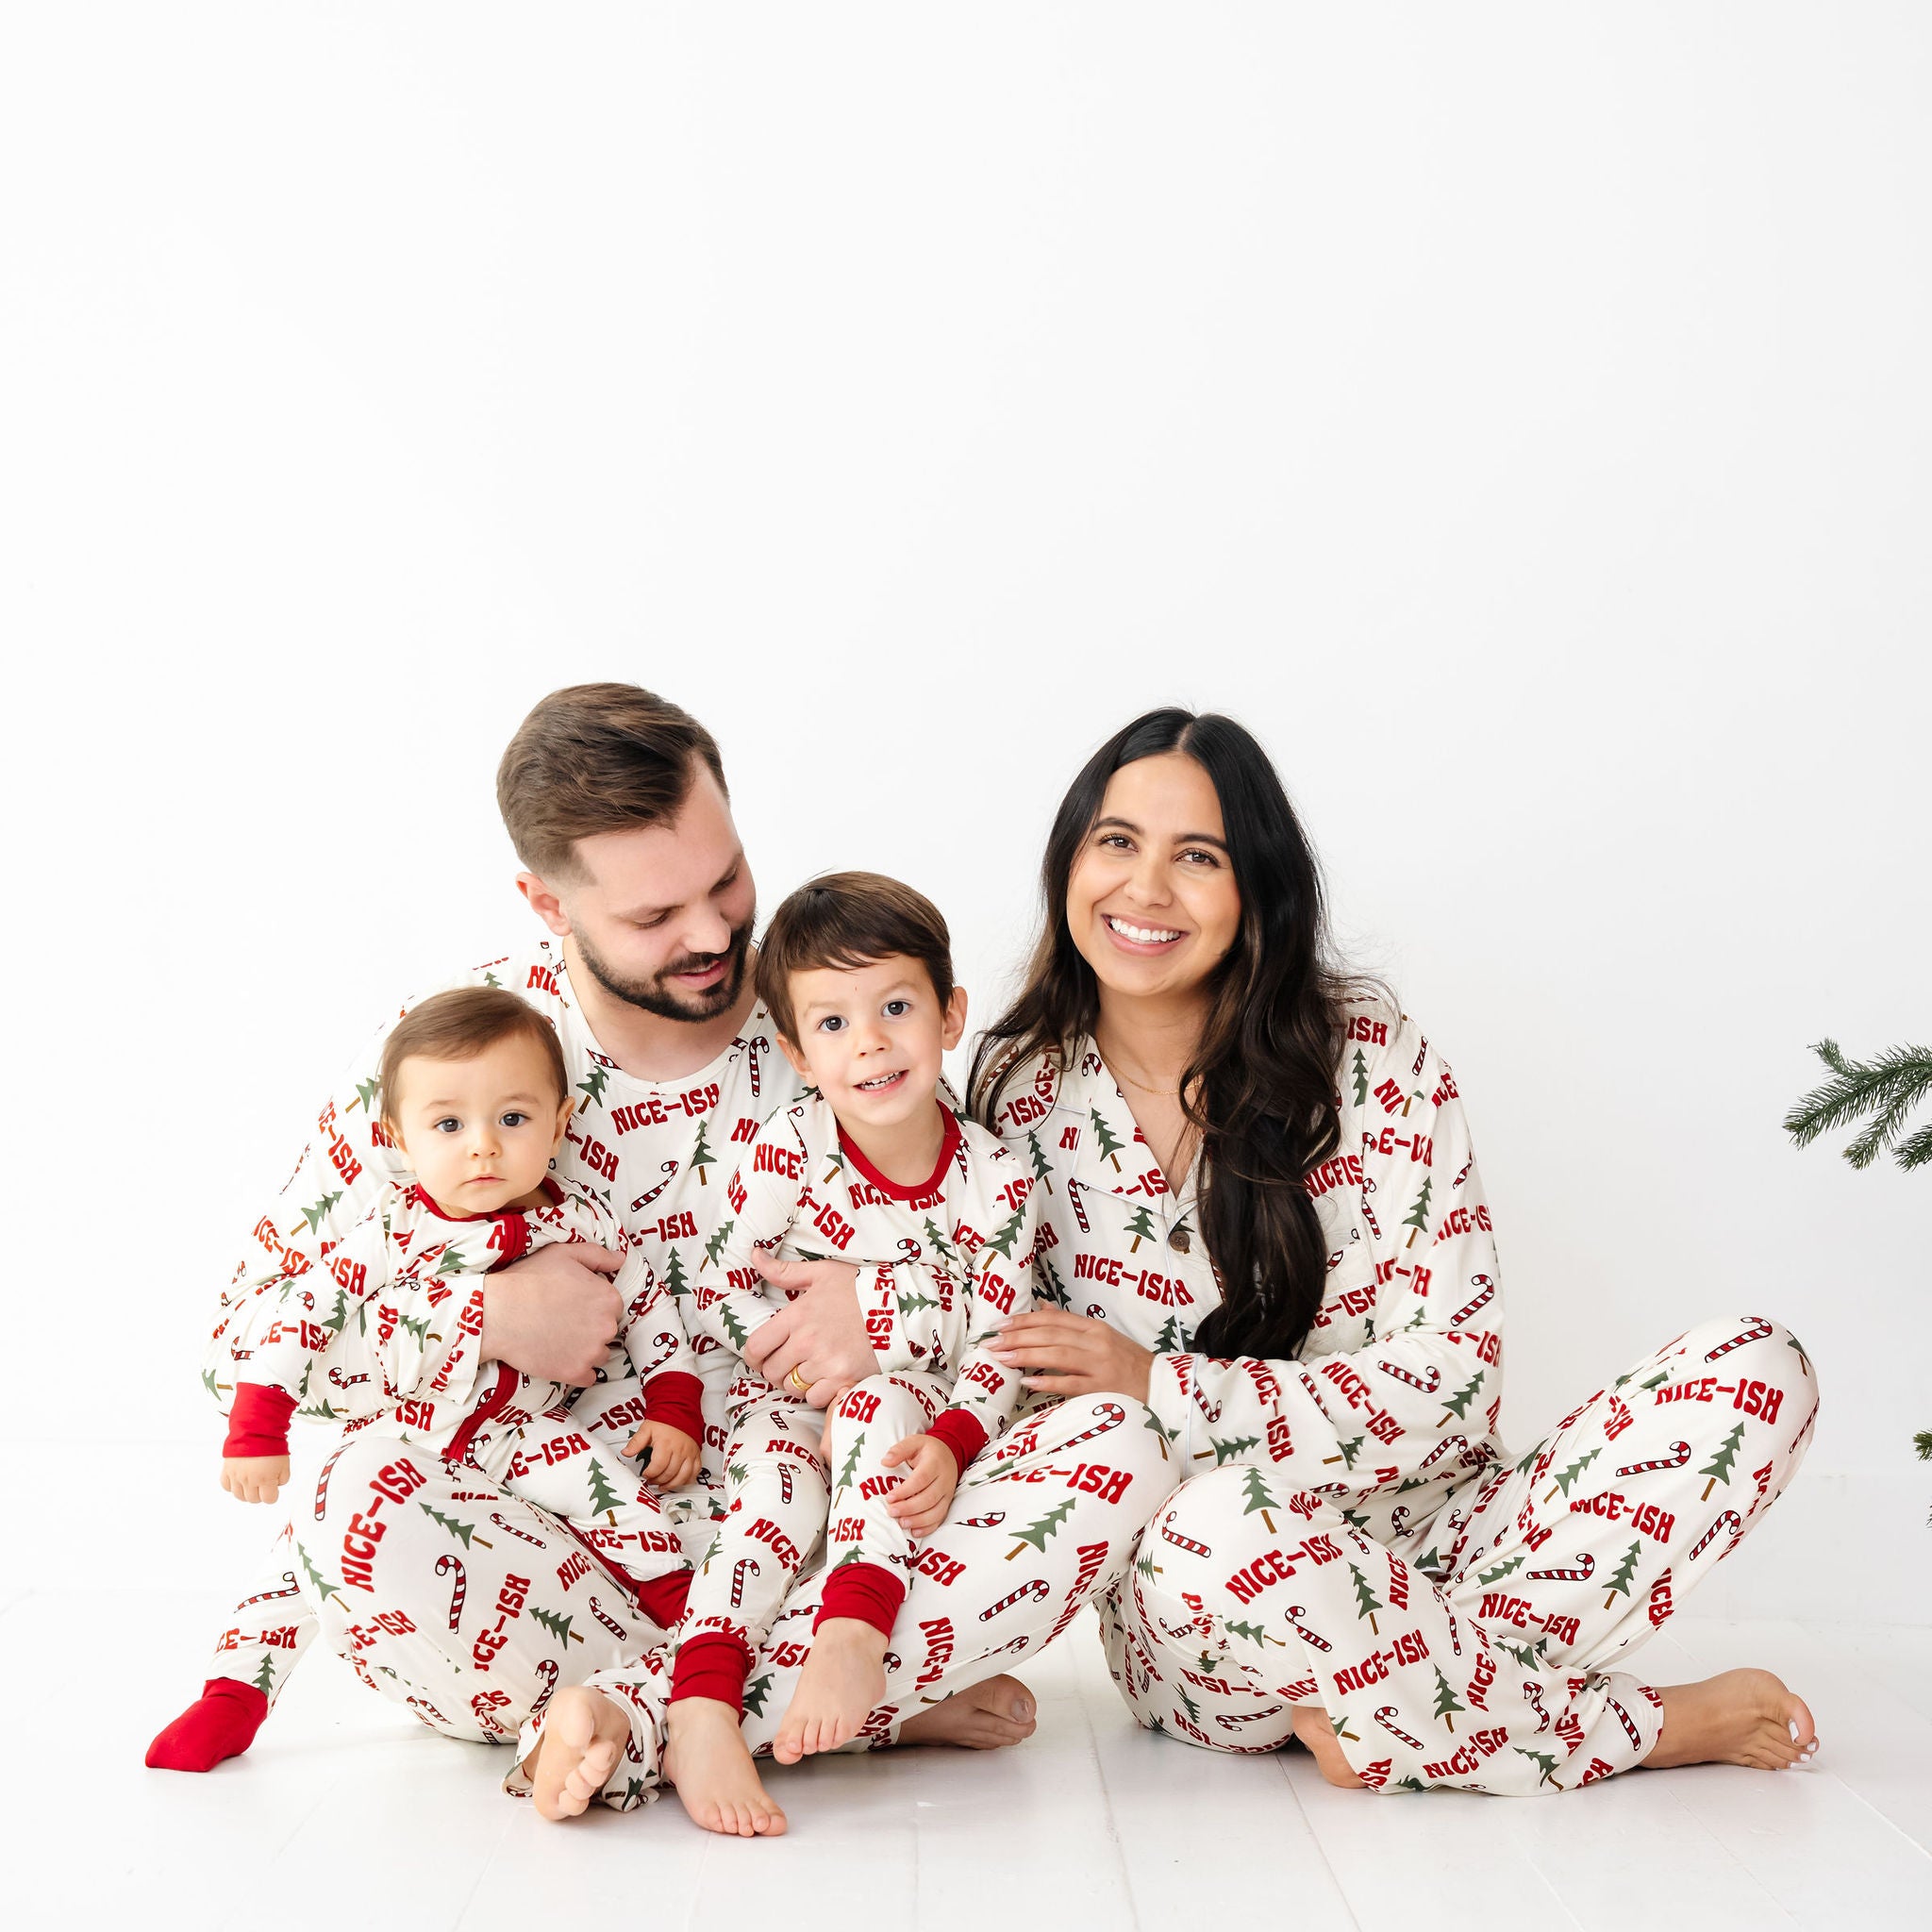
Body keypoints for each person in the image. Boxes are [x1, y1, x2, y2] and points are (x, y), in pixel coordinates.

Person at [971, 707, 1821, 1793]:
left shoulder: (1372, 1059)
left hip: (1455, 1542)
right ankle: (1635, 1726)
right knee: (1210, 1524)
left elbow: (1453, 1386)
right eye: (1116, 840)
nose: (1144, 888)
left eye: (1197, 856)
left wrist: (1162, 1385)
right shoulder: (1011, 1095)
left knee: (1756, 1366)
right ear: (1068, 857)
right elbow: (1026, 1406)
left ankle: (1393, 1704)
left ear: (1255, 892)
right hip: (1210, 1602)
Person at [147, 988, 704, 1772]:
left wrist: (676, 1408)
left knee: (625, 1507)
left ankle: (696, 1659)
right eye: (449, 1125)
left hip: (524, 1440)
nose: (482, 1148)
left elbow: (648, 1307)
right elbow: (301, 1319)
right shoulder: (391, 1230)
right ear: (398, 1138)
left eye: (512, 1119)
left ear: (560, 1122)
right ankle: (232, 1699)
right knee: (294, 1562)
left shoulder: (582, 1219)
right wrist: (256, 1430)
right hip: (401, 1436)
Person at [641, 873, 1038, 1832]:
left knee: (877, 1405)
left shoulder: (995, 1177)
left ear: (949, 1015)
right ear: (794, 1049)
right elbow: (725, 1281)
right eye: (832, 1023)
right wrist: (797, 1373)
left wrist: (948, 1437)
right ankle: (699, 1701)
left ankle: (853, 1628)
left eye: (895, 1006)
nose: (867, 1041)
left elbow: (1000, 1343)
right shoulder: (788, 1147)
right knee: (766, 1504)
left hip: (913, 1421)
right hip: (784, 1400)